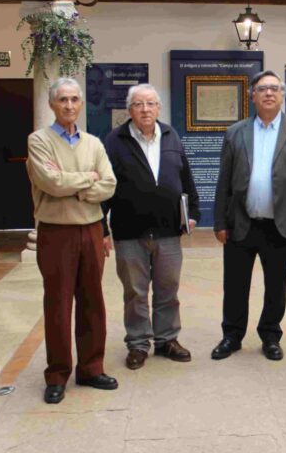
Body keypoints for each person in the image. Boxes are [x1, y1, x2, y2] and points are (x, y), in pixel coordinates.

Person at [25, 77, 117, 405]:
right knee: (58, 304)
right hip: (56, 232)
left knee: (93, 302)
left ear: (81, 103)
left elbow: (109, 184)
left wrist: (72, 185)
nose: (69, 105)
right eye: (62, 99)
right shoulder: (39, 141)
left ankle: (91, 368)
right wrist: (88, 178)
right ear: (52, 104)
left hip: (91, 230)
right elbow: (50, 182)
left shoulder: (93, 143)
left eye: (74, 99)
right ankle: (57, 374)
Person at [212, 70, 286, 361]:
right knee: (235, 284)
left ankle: (270, 335)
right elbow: (224, 181)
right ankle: (232, 336)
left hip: (280, 224)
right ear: (252, 96)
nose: (269, 93)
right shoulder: (236, 132)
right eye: (262, 89)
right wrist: (220, 222)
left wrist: (282, 191)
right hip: (241, 222)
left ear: (282, 95)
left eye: (274, 88)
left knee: (276, 286)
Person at [102, 84, 200, 371]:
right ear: (129, 110)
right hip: (129, 232)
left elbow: (185, 177)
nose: (145, 109)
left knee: (168, 289)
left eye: (150, 104)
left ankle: (167, 340)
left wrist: (194, 212)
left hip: (168, 230)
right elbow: (105, 186)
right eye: (138, 104)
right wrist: (101, 227)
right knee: (135, 292)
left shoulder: (170, 135)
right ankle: (138, 344)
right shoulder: (114, 140)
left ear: (159, 108)